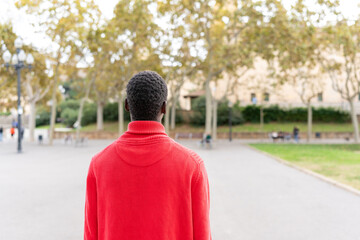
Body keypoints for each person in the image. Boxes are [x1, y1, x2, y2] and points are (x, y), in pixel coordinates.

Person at [84, 71, 211, 240]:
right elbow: (202, 234)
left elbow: (90, 234)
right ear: (164, 107)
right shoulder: (192, 165)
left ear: (127, 105)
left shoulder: (99, 165)